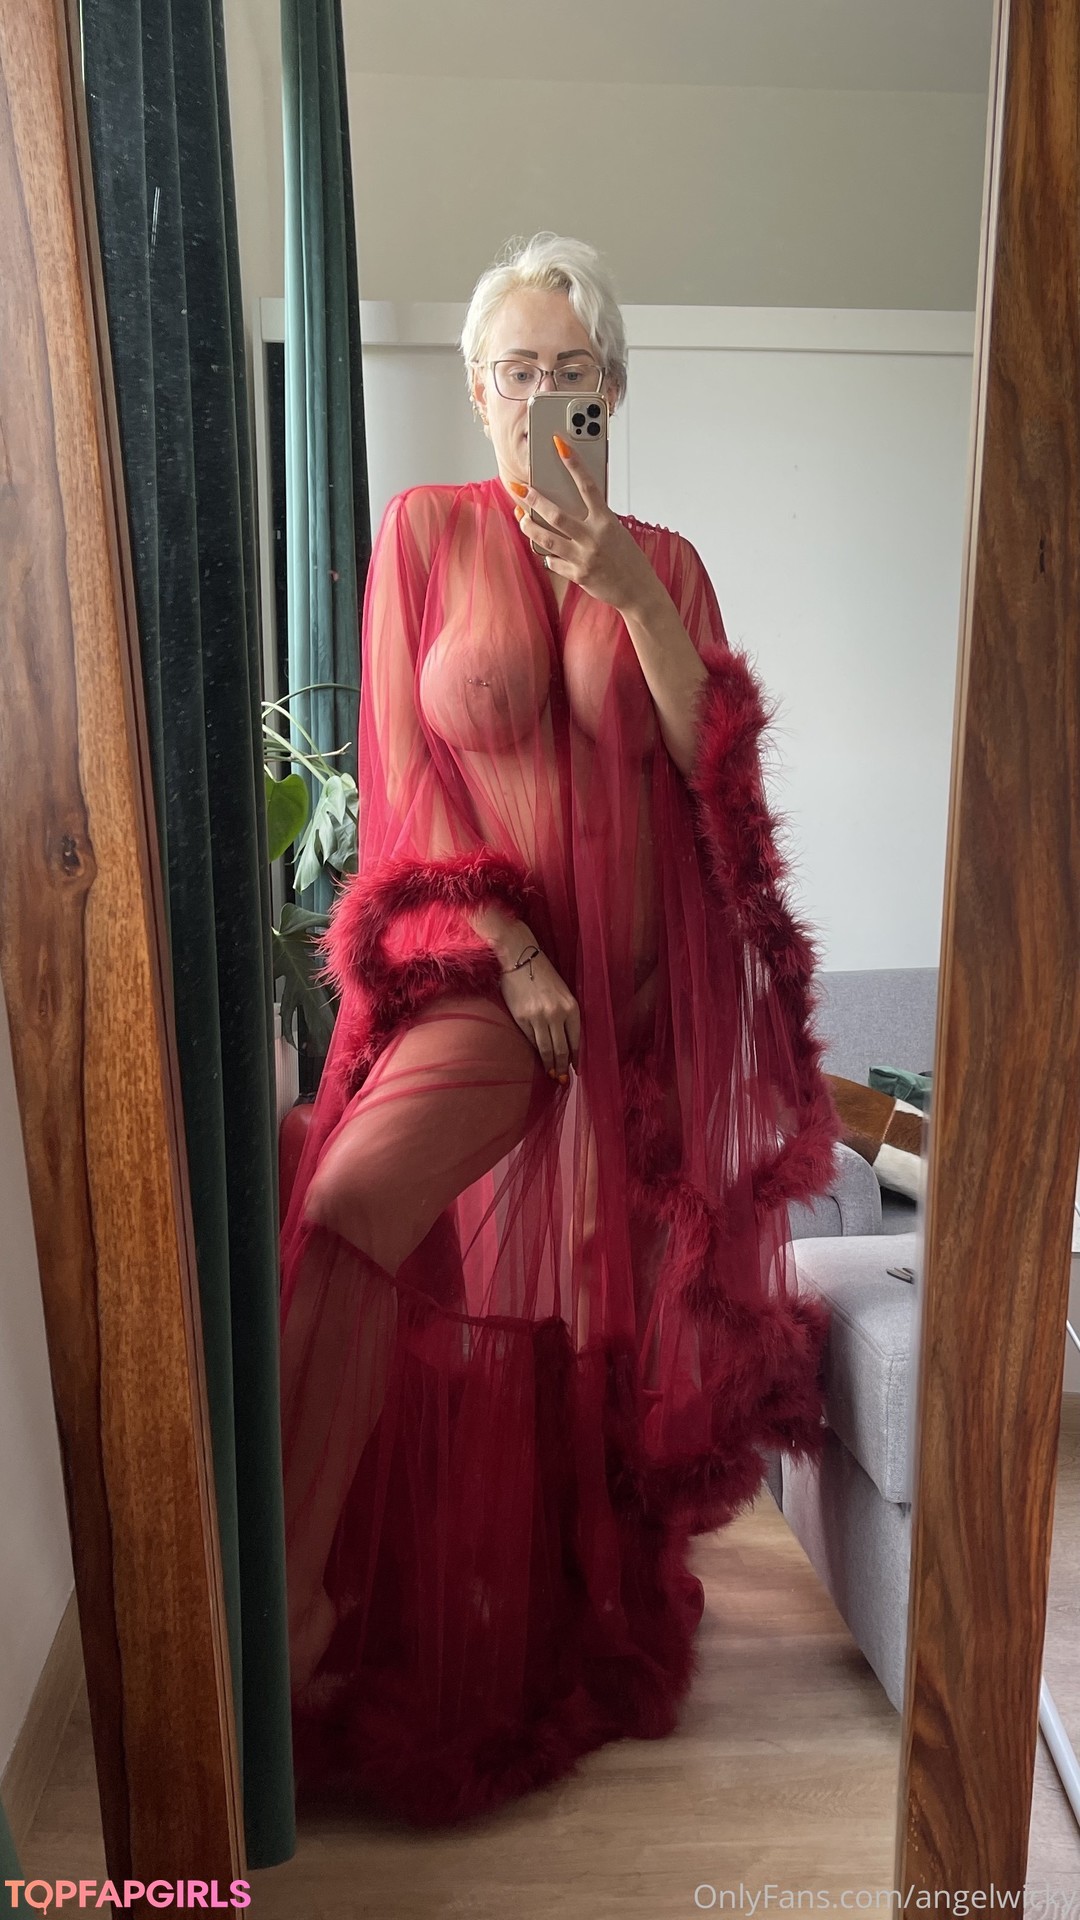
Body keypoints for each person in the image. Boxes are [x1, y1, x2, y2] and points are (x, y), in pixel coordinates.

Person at [277, 231, 841, 1827]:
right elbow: (408, 792)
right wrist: (512, 948)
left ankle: (551, 1623)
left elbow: (714, 767)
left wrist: (625, 590)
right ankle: (287, 1606)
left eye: (572, 374)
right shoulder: (424, 533)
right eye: (517, 370)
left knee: (602, 1325)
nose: (543, 395)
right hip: (486, 981)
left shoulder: (665, 561)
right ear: (477, 390)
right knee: (348, 1201)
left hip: (641, 1023)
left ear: (614, 393)